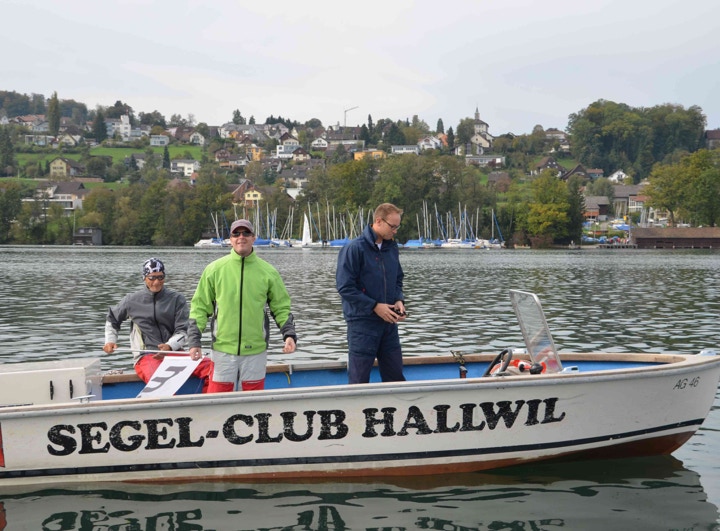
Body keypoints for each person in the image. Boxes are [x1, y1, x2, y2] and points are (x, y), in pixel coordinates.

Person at [187, 219, 297, 392]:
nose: (241, 237)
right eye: (236, 233)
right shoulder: (214, 270)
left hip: (255, 353)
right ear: (230, 239)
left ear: (253, 237)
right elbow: (199, 309)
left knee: (252, 404)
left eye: (246, 233)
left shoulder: (269, 272)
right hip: (222, 351)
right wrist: (194, 341)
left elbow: (281, 308)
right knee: (218, 401)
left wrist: (289, 335)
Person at [103, 257, 213, 392]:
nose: (156, 282)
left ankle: (207, 403)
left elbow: (183, 331)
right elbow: (112, 319)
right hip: (146, 355)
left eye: (160, 277)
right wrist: (110, 341)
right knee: (162, 383)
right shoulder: (131, 300)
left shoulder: (177, 299)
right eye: (152, 278)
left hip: (174, 352)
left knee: (212, 369)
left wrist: (169, 346)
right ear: (144, 278)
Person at [336, 203, 407, 384]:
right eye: (393, 226)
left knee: (396, 378)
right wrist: (374, 306)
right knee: (359, 381)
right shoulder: (354, 248)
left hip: (389, 325)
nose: (395, 231)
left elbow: (397, 279)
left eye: (397, 227)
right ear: (378, 221)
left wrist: (399, 299)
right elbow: (345, 287)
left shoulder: (392, 248)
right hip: (362, 325)